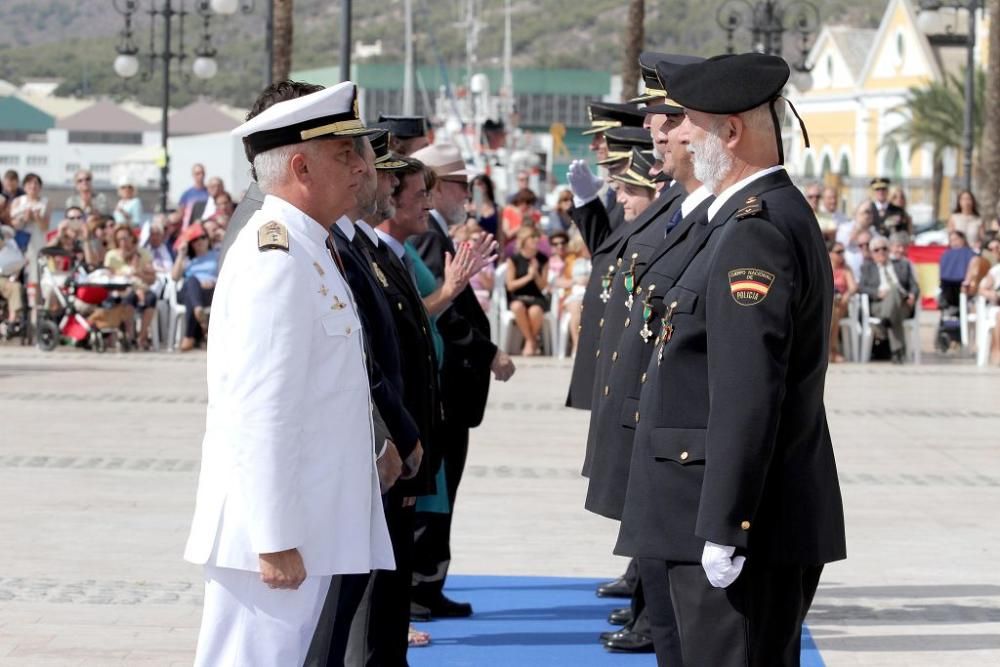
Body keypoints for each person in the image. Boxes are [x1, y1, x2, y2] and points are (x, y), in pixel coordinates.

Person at [616, 53, 847, 667]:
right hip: (690, 513)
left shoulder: (757, 228)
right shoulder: (742, 220)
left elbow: (749, 389)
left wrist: (728, 523)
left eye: (689, 120)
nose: (679, 133)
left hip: (727, 524)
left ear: (732, 131)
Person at [183, 80, 393, 667]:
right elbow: (261, 409)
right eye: (344, 153)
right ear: (300, 166)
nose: (361, 165)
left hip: (302, 520)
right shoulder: (274, 258)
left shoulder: (309, 247)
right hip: (272, 532)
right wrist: (273, 537)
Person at [409, 142, 515, 620]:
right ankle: (422, 587)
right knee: (436, 492)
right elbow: (443, 313)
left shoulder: (436, 233)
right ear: (434, 184)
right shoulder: (429, 237)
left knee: (443, 491)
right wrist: (490, 353)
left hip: (452, 390)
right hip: (446, 388)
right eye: (460, 184)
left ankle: (430, 584)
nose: (466, 195)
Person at [859, 235, 919, 363]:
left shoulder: (902, 264)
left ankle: (885, 322)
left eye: (884, 248)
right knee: (893, 304)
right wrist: (877, 292)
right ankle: (897, 351)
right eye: (876, 250)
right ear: (871, 253)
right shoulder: (867, 267)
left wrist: (913, 295)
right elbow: (862, 287)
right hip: (879, 305)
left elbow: (914, 286)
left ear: (889, 250)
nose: (881, 252)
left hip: (903, 304)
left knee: (894, 290)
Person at [104, 222, 157, 348]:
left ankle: (142, 337)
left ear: (132, 238)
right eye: (120, 239)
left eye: (125, 238)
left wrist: (138, 273)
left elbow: (152, 278)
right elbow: (108, 276)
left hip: (141, 287)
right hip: (121, 289)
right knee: (129, 298)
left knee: (151, 298)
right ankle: (130, 335)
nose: (123, 242)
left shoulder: (143, 254)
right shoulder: (111, 256)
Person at [170, 223, 218, 352]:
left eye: (202, 237)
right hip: (191, 289)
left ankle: (189, 336)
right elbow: (174, 277)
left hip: (210, 291)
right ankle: (198, 313)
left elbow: (226, 274)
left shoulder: (217, 255)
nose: (199, 242)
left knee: (191, 294)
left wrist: (214, 281)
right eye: (195, 240)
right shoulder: (187, 260)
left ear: (207, 238)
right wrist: (181, 254)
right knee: (192, 281)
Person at [505, 226, 550, 355]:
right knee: (517, 307)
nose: (536, 239)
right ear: (524, 240)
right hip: (518, 296)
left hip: (536, 297)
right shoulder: (513, 259)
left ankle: (529, 342)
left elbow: (543, 287)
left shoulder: (543, 259)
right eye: (532, 237)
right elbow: (510, 286)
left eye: (537, 237)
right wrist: (528, 277)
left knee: (535, 311)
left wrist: (535, 275)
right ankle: (531, 341)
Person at [9, 172, 50, 294]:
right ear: (25, 186)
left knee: (35, 275)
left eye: (36, 184)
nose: (33, 187)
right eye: (29, 183)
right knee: (15, 272)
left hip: (36, 241)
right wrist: (24, 218)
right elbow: (12, 224)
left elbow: (45, 226)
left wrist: (36, 218)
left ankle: (34, 307)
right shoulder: (17, 201)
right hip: (19, 241)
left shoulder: (45, 202)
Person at [829, 240, 858, 362]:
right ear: (830, 253)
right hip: (830, 304)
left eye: (843, 251)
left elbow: (853, 287)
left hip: (842, 303)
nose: (842, 254)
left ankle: (831, 351)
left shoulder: (846, 269)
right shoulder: (825, 267)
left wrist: (846, 295)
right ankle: (832, 351)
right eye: (838, 252)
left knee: (834, 312)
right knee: (832, 312)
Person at [469, 173, 499, 237]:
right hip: (475, 243)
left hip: (493, 243)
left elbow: (500, 232)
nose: (479, 187)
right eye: (476, 184)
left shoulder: (497, 208)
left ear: (487, 186)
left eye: (481, 184)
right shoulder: (469, 207)